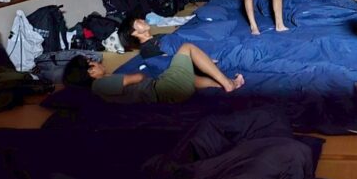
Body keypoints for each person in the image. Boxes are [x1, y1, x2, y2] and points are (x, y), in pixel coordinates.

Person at [62, 43, 243, 104]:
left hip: (163, 92)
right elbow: (138, 77)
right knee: (187, 48)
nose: (99, 62)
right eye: (93, 63)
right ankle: (228, 84)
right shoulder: (100, 84)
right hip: (162, 91)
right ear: (91, 71)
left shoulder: (99, 87)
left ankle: (221, 83)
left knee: (189, 76)